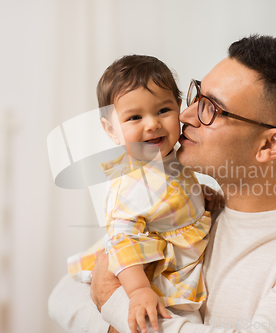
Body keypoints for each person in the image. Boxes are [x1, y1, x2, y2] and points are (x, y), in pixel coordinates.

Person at [49, 35, 276, 333]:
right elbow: (66, 291)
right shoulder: (188, 205)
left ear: (268, 145)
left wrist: (116, 306)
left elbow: (103, 289)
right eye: (195, 96)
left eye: (212, 109)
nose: (185, 116)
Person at [64, 55, 224, 333]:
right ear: (112, 131)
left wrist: (202, 194)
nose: (152, 124)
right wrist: (138, 291)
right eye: (135, 117)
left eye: (163, 110)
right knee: (178, 320)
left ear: (179, 108)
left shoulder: (173, 156)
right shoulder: (130, 185)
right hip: (150, 272)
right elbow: (122, 240)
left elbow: (178, 189)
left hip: (178, 252)